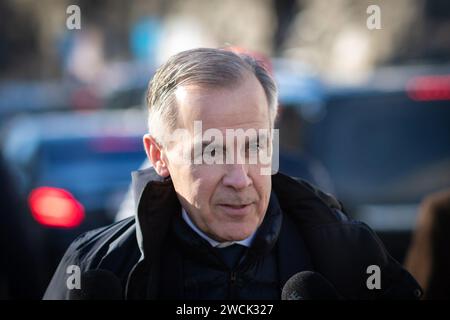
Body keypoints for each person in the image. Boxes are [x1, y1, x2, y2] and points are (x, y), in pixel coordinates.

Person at [44, 48, 421, 300]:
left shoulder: (349, 255)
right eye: (211, 150)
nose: (240, 179)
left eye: (254, 146)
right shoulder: (98, 268)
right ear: (158, 155)